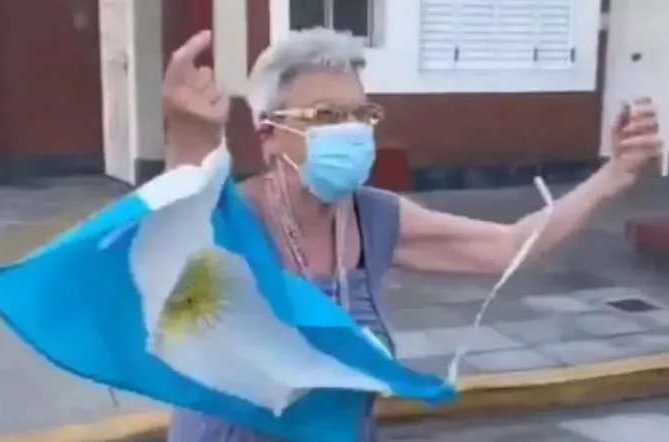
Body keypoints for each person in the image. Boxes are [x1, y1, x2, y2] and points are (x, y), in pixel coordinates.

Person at [163, 28, 662, 442]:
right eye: (328, 116)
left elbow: (507, 246)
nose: (352, 131)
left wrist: (613, 176)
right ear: (268, 133)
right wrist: (187, 140)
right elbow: (168, 248)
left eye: (361, 114)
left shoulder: (373, 217)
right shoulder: (228, 218)